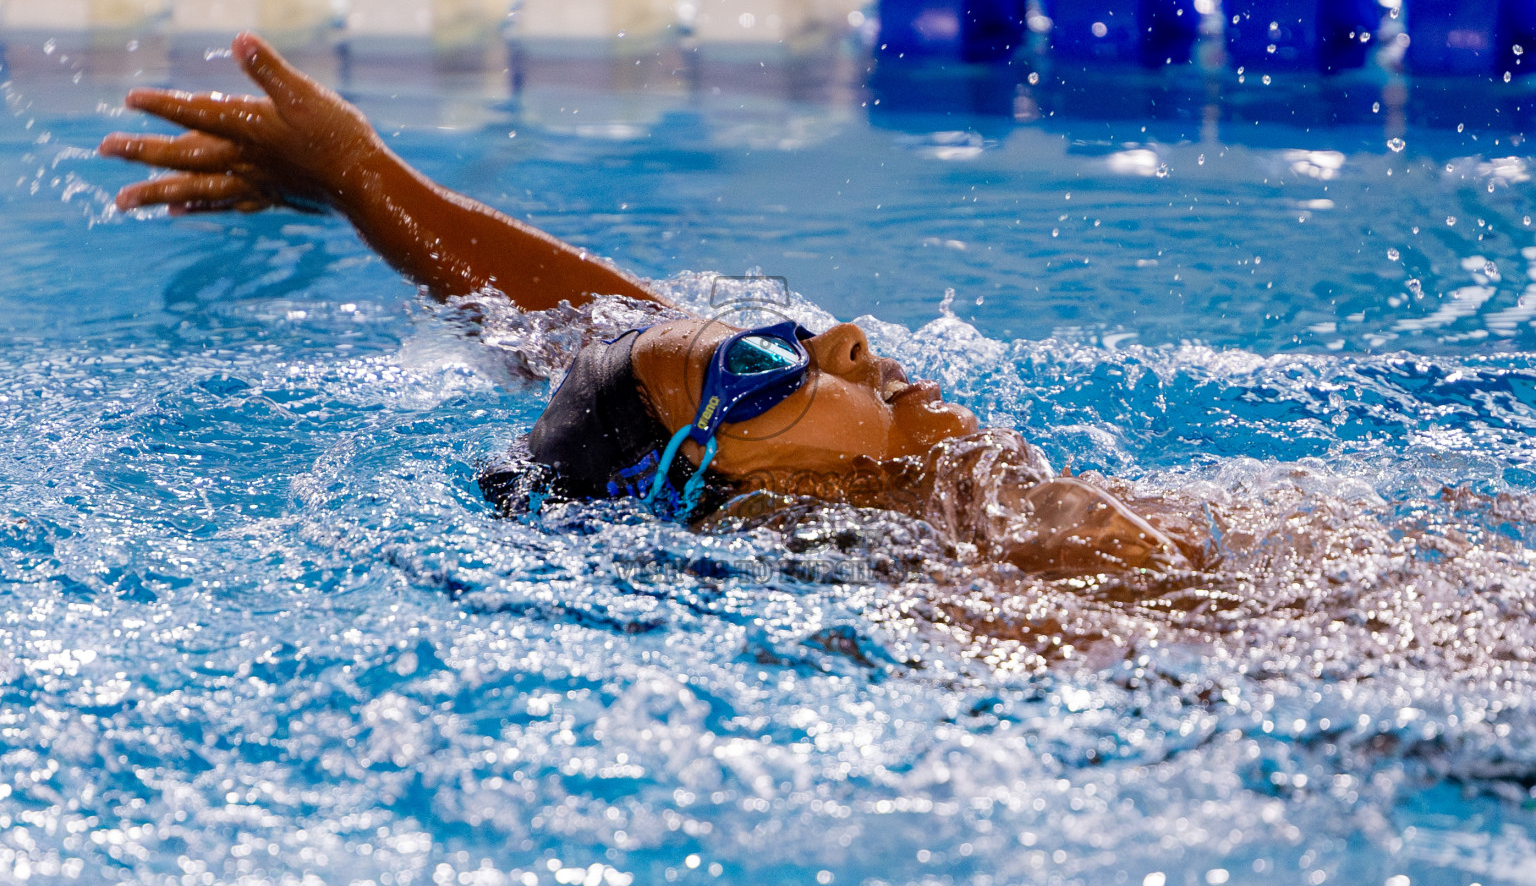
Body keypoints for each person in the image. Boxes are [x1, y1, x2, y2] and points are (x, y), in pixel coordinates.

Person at [99, 32, 1201, 577]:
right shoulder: (1002, 597)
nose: (855, 342)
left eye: (805, 341)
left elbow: (597, 341)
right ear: (748, 510)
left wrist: (366, 181)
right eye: (773, 367)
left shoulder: (978, 522)